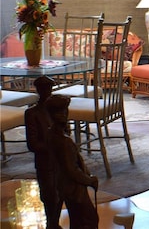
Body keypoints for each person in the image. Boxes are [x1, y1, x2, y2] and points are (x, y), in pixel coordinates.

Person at [46, 95, 99, 229]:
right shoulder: (65, 142)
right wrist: (89, 180)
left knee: (76, 219)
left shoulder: (51, 134)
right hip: (74, 188)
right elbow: (72, 170)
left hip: (63, 185)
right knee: (89, 219)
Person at [25, 76, 63, 229]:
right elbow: (33, 144)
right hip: (45, 163)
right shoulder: (32, 114)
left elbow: (65, 132)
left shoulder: (56, 111)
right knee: (49, 196)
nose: (47, 92)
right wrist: (53, 145)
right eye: (45, 89)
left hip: (59, 161)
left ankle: (54, 223)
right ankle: (51, 224)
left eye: (49, 89)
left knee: (60, 194)